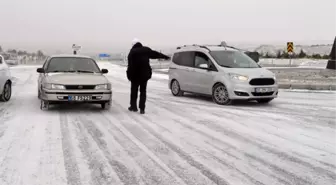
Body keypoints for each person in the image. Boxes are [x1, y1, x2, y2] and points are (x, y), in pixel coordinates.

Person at [126, 38, 170, 114]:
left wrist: (129, 75)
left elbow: (130, 66)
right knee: (143, 91)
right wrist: (165, 56)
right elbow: (156, 54)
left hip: (135, 76)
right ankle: (142, 109)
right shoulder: (146, 50)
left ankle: (133, 107)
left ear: (133, 45)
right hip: (144, 75)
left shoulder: (132, 52)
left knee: (134, 91)